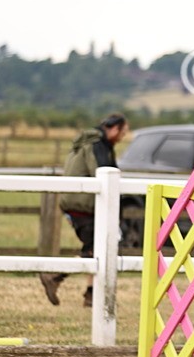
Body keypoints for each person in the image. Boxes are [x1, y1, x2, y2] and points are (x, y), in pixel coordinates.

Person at [40, 113, 130, 307]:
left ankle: (90, 295)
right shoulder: (97, 146)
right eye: (123, 132)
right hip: (84, 205)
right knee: (94, 250)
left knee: (97, 248)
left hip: (76, 202)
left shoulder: (88, 143)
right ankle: (54, 275)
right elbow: (103, 173)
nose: (122, 137)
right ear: (114, 129)